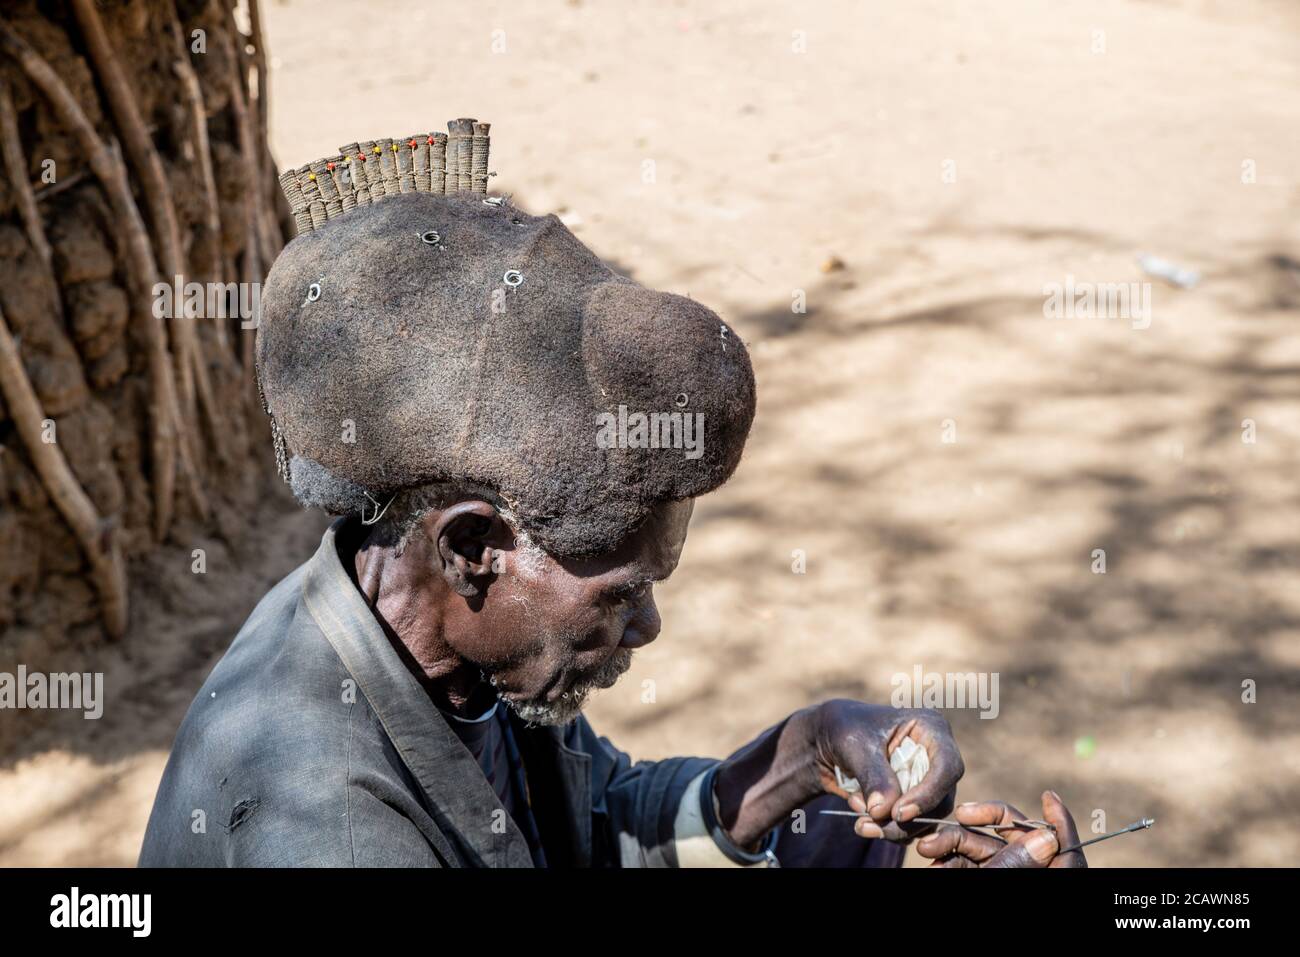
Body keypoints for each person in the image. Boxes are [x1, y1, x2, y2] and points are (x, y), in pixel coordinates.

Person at [138, 119, 1083, 868]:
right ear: (472, 547)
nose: (647, 629)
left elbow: (596, 822)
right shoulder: (321, 823)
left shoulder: (464, 651)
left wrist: (804, 757)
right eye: (622, 593)